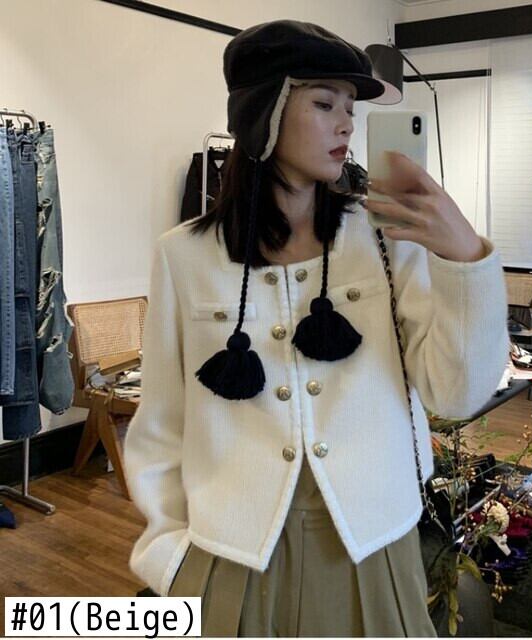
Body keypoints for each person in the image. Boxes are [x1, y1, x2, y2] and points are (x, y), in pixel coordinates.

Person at [123, 19, 509, 637]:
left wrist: (464, 258)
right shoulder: (183, 255)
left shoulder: (385, 240)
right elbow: (162, 424)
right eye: (324, 103)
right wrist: (170, 556)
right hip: (233, 552)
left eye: (350, 108)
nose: (345, 124)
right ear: (263, 113)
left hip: (373, 543)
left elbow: (456, 394)